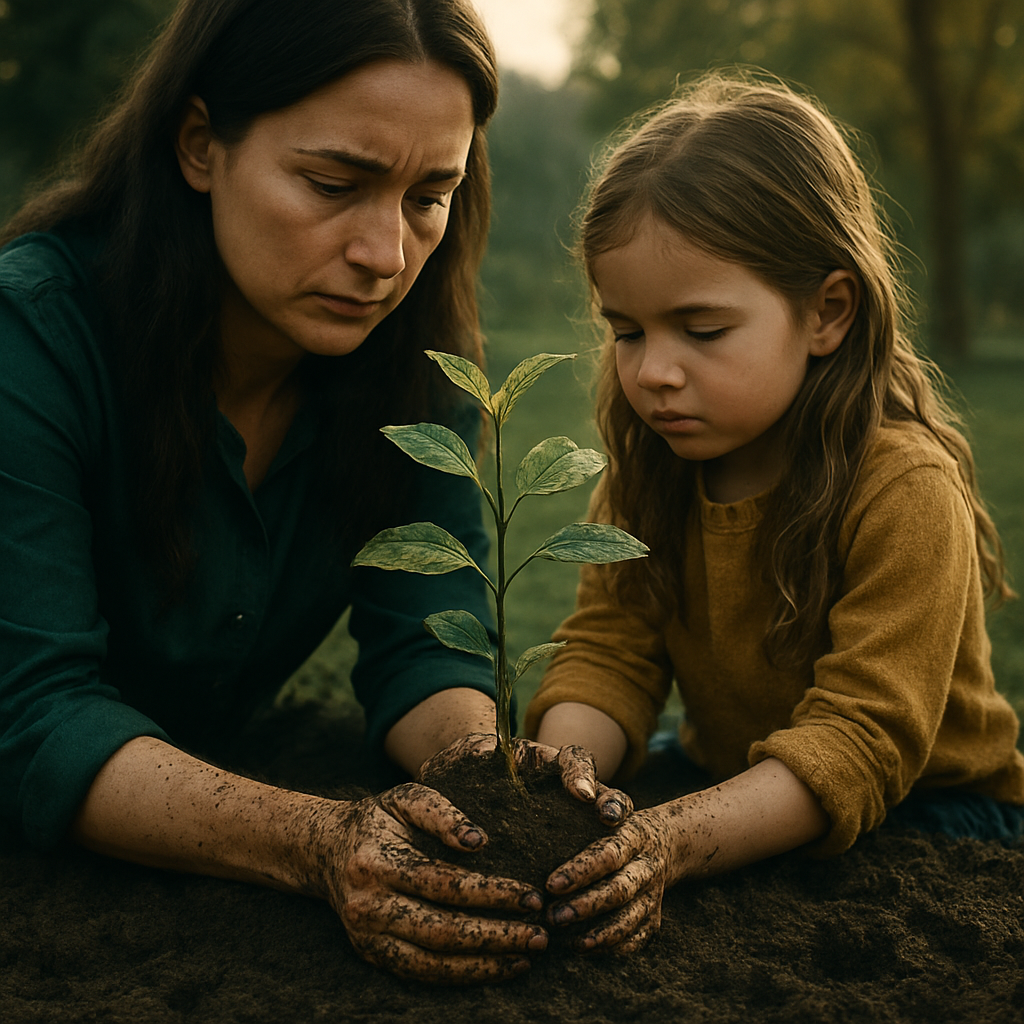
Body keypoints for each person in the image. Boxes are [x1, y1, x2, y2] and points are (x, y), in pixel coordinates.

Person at [0, 0, 622, 985]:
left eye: (429, 196)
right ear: (201, 144)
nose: (383, 256)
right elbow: (35, 712)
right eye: (334, 183)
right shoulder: (32, 340)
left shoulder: (411, 373)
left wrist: (486, 782)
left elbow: (424, 636)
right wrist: (321, 839)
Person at [524, 72, 1024, 954]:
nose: (652, 373)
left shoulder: (905, 489)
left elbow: (860, 740)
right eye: (628, 330)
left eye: (702, 330)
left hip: (929, 814)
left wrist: (666, 840)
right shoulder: (653, 472)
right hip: (737, 771)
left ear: (827, 311)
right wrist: (560, 790)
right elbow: (611, 652)